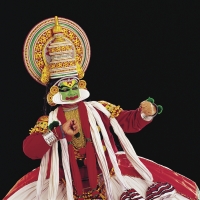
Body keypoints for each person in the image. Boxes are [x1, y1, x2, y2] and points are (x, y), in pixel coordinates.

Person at [4, 16, 199, 200]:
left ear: (81, 85)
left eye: (74, 85)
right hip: (68, 186)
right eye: (65, 87)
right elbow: (30, 150)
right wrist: (57, 133)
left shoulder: (99, 109)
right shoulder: (49, 121)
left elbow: (130, 122)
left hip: (108, 179)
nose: (71, 91)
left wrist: (146, 113)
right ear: (54, 90)